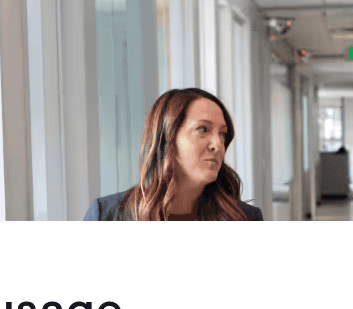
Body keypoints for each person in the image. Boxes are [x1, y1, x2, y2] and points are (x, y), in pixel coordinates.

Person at [83, 88, 262, 220]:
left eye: (222, 134)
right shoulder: (106, 215)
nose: (218, 144)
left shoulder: (246, 218)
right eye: (202, 129)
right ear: (167, 137)